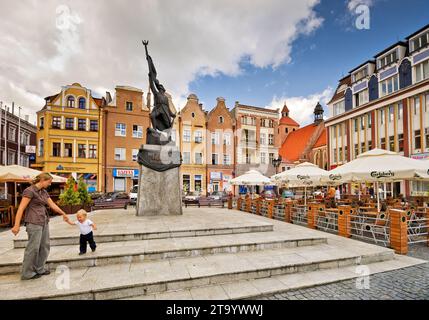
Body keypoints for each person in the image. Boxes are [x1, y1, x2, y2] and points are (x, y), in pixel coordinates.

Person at [11, 173, 69, 280]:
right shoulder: (29, 191)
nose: (50, 184)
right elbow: (21, 208)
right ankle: (27, 273)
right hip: (33, 222)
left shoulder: (44, 192)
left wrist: (63, 213)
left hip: (44, 221)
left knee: (45, 246)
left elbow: (52, 205)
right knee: (33, 248)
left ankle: (39, 268)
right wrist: (16, 225)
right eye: (49, 181)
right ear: (42, 180)